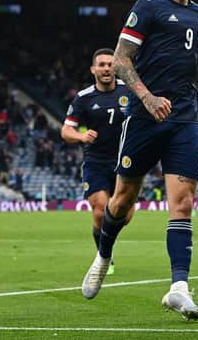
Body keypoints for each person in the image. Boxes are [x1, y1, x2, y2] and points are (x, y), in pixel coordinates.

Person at [80, 0, 198, 321]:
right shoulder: (147, 7)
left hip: (183, 120)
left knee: (183, 203)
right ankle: (104, 253)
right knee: (122, 200)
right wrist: (147, 98)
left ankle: (179, 287)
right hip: (144, 118)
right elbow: (120, 59)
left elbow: (195, 64)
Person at [61, 48, 135, 275]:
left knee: (125, 215)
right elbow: (66, 130)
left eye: (110, 64)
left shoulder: (129, 90)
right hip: (96, 162)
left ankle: (107, 241)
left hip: (126, 161)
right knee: (101, 211)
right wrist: (81, 136)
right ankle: (104, 256)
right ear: (93, 70)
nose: (106, 68)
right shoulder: (84, 98)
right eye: (101, 65)